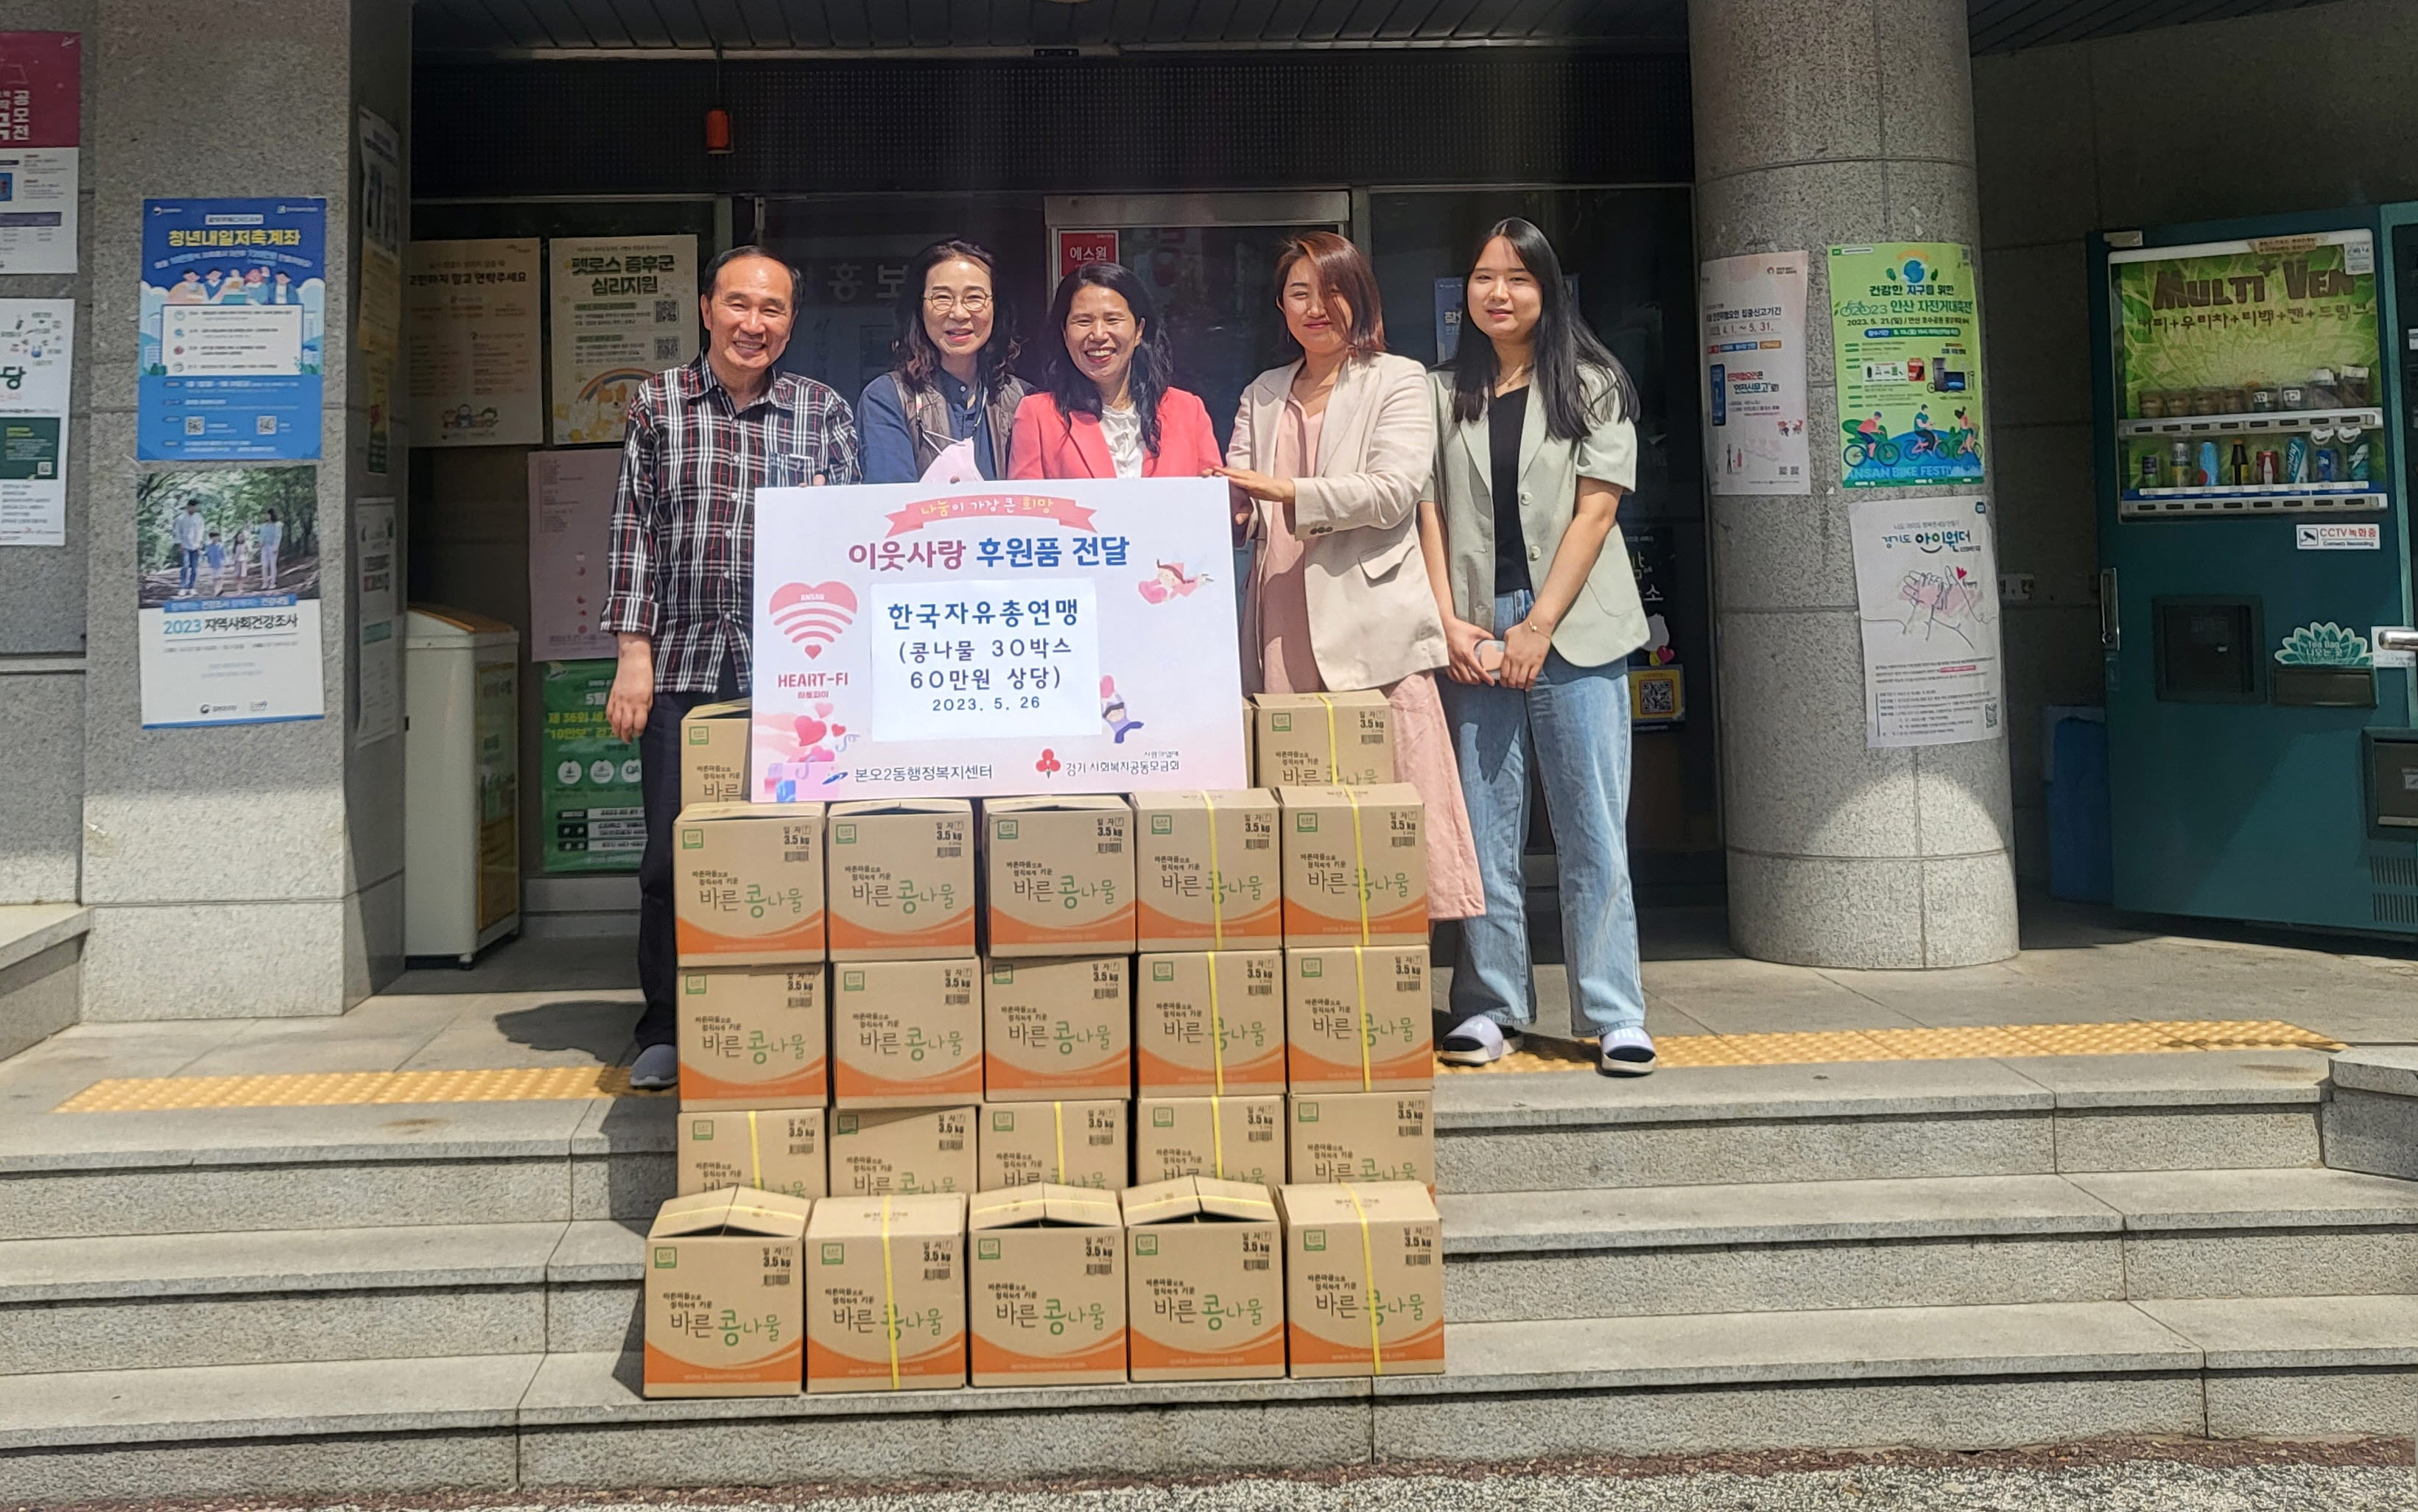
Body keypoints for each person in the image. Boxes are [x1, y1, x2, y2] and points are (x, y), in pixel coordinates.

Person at [602, 245, 862, 1092]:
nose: (756, 323)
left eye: (774, 309)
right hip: (681, 664)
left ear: (792, 321)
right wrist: (631, 656)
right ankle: (667, 1026)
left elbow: (851, 540)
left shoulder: (821, 411)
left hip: (799, 677)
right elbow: (632, 533)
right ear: (707, 308)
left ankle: (795, 1015)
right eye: (740, 304)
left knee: (798, 849)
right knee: (675, 853)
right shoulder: (658, 405)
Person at [1414, 217, 1656, 1077]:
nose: (1499, 292)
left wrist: (1538, 626)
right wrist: (1445, 621)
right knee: (1484, 831)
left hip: (1574, 627)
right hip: (1475, 631)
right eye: (1484, 276)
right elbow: (1429, 510)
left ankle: (1614, 1010)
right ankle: (1489, 1005)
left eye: (1517, 278)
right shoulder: (1441, 393)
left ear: (1547, 289)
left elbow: (1597, 510)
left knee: (1591, 828)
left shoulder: (1591, 384)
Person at [1215, 231, 1481, 922]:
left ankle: (1405, 974)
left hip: (1374, 625)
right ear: (1280, 306)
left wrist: (1286, 493)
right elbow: (1240, 502)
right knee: (1302, 811)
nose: (1315, 306)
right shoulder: (1262, 391)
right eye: (1297, 293)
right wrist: (1221, 508)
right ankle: (1318, 952)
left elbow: (1394, 491)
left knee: (1398, 809)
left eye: (1330, 289)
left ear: (1357, 295)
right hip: (1280, 620)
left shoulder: (1398, 378)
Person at [1010, 260, 1221, 480]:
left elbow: (1213, 502)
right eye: (1083, 321)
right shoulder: (1037, 414)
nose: (1099, 335)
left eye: (1113, 320)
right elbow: (1029, 510)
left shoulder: (1188, 410)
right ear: (1064, 332)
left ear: (1139, 330)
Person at [858, 239, 1027, 483]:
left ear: (996, 308)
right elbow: (892, 501)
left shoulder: (1024, 399)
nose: (959, 313)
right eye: (942, 298)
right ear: (919, 308)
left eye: (974, 297)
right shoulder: (887, 398)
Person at [171, 499, 207, 594]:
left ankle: (192, 587)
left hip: (196, 546)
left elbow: (201, 531)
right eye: (195, 507)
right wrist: (180, 543)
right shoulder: (181, 518)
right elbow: (177, 531)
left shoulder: (199, 518)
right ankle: (182, 587)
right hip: (185, 545)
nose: (196, 509)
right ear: (189, 507)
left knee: (194, 568)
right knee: (185, 566)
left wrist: (199, 543)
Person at [256, 508, 283, 590]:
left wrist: (276, 547)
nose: (266, 516)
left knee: (273, 565)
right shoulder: (263, 526)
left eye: (267, 514)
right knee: (264, 565)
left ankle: (273, 583)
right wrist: (260, 543)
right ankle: (265, 583)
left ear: (271, 515)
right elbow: (261, 536)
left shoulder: (278, 525)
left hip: (273, 547)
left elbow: (278, 536)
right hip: (265, 547)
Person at [204, 530, 227, 594]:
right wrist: (199, 551)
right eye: (213, 537)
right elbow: (206, 553)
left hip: (220, 564)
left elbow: (224, 554)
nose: (215, 538)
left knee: (219, 577)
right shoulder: (208, 546)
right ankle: (216, 590)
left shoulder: (221, 545)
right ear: (211, 538)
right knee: (214, 578)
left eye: (216, 537)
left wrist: (225, 562)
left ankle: (220, 588)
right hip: (212, 564)